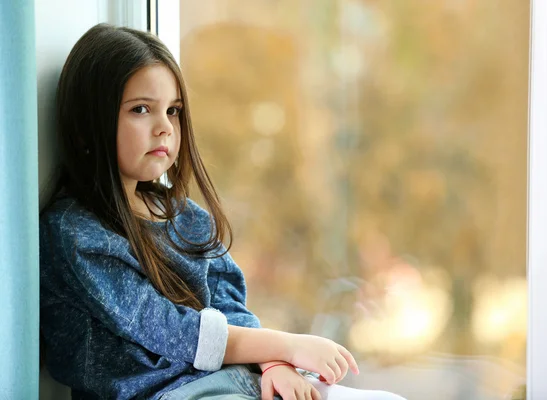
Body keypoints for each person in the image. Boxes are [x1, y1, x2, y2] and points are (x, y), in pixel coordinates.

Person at [39, 23, 406, 400]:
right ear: (86, 126)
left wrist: (275, 365)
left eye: (174, 110)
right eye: (141, 109)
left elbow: (229, 304)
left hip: (231, 379)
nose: (164, 127)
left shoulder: (187, 218)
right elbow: (174, 332)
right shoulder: (74, 233)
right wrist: (287, 346)